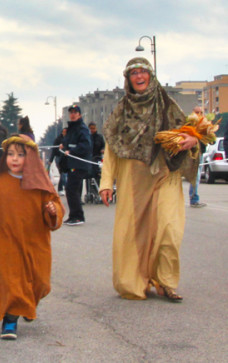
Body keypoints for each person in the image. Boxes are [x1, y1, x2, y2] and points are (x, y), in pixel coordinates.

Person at [99, 57, 199, 302]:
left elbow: (188, 134)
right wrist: (106, 182)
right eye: (134, 73)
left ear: (151, 76)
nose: (139, 76)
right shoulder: (122, 111)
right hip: (133, 179)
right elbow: (112, 147)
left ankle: (165, 282)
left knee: (168, 229)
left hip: (165, 174)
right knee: (134, 235)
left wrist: (193, 141)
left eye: (144, 71)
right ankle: (135, 281)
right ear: (128, 79)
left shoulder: (167, 104)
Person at [0, 134, 64, 340]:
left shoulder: (41, 183)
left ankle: (28, 303)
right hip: (5, 241)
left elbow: (56, 207)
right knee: (11, 281)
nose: (14, 159)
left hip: (35, 241)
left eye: (20, 155)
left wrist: (52, 209)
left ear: (30, 158)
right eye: (11, 154)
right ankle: (10, 320)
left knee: (40, 282)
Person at [61, 105, 92, 226]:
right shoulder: (71, 128)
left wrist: (72, 151)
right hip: (72, 163)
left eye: (75, 112)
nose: (73, 114)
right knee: (73, 189)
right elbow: (69, 141)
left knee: (71, 189)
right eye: (71, 112)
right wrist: (63, 145)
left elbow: (86, 145)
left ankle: (78, 216)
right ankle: (73, 215)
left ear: (79, 114)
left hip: (79, 163)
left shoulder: (82, 128)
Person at [188, 106, 207, 208]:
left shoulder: (204, 125)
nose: (199, 114)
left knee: (197, 176)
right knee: (195, 176)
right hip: (191, 153)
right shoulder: (189, 125)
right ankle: (194, 198)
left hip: (200, 154)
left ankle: (194, 197)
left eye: (201, 112)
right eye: (197, 112)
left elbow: (210, 140)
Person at [48, 127, 68, 196]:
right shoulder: (58, 139)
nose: (65, 133)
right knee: (63, 174)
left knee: (64, 174)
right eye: (64, 132)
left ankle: (61, 188)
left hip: (66, 158)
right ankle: (66, 187)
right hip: (59, 158)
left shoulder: (69, 139)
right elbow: (54, 150)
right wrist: (51, 160)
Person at [88, 121, 105, 186]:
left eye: (93, 128)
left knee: (97, 174)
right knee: (88, 175)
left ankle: (97, 187)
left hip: (97, 158)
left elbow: (103, 145)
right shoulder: (87, 137)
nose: (92, 130)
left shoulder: (99, 137)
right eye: (91, 128)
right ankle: (89, 190)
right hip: (89, 159)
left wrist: (103, 149)